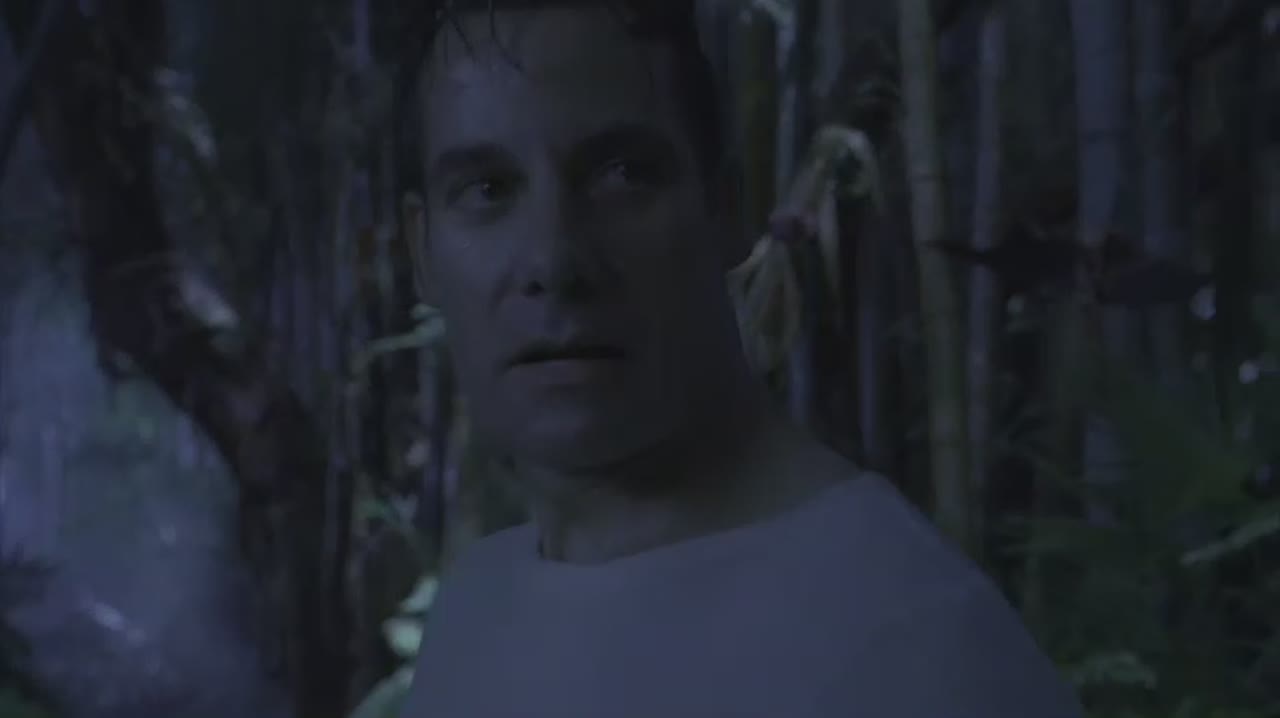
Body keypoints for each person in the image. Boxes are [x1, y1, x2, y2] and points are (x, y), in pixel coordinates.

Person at [400, 2, 1082, 716]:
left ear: (726, 209)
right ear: (421, 252)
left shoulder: (908, 644)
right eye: (486, 190)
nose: (553, 259)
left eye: (622, 174)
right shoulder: (476, 606)